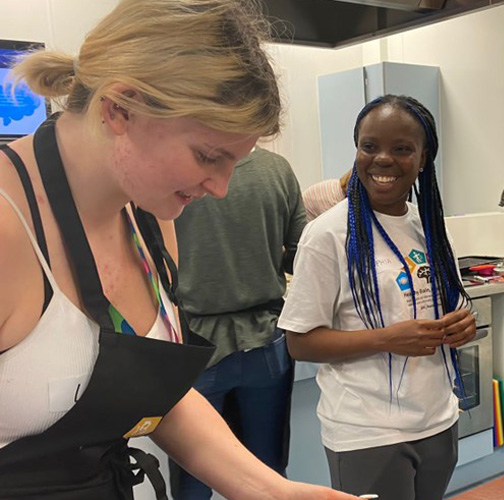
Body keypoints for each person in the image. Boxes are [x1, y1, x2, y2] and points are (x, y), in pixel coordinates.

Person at [0, 1, 357, 499]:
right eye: (208, 156)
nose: (221, 187)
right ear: (118, 108)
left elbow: (155, 393)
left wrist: (278, 492)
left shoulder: (149, 219)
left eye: (235, 161)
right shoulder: (7, 228)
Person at [278, 95, 477, 500]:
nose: (382, 159)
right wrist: (385, 339)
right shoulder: (328, 235)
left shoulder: (431, 228)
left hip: (438, 419)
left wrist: (463, 322)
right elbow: (299, 343)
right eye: (370, 147)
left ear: (423, 159)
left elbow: (452, 304)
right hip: (367, 431)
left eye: (402, 149)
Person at [169, 146, 307, 499]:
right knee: (268, 474)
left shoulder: (174, 169)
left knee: (193, 480)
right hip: (265, 343)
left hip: (194, 345)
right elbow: (302, 257)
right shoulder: (276, 169)